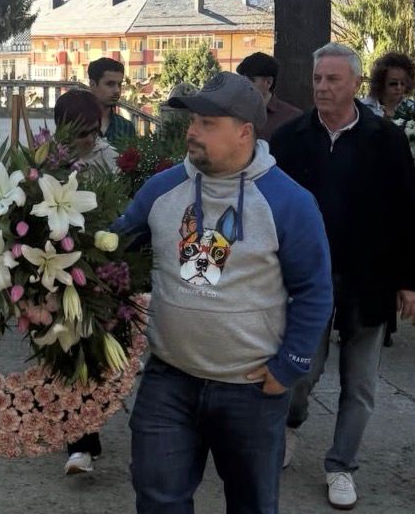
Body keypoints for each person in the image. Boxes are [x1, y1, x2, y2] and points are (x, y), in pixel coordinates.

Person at [116, 71, 334, 514]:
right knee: (158, 500)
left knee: (251, 505)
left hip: (250, 389)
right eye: (193, 120)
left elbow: (315, 290)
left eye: (207, 123)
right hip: (169, 380)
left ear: (245, 132)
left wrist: (290, 365)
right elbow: (112, 248)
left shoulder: (288, 202)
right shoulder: (161, 191)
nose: (191, 131)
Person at [271, 43, 415, 510]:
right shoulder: (291, 138)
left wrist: (411, 281)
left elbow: (408, 213)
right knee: (302, 372)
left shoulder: (386, 138)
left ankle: (341, 466)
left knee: (360, 384)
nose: (322, 87)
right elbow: (271, 208)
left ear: (355, 84)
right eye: (318, 79)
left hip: (370, 278)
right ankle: (290, 425)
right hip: (307, 281)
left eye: (332, 80)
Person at [50, 88, 117, 474]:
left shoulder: (110, 160)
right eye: (79, 133)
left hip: (99, 271)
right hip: (54, 271)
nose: (87, 139)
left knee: (92, 359)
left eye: (93, 130)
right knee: (63, 354)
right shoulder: (45, 164)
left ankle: (85, 438)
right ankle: (80, 442)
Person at [236, 51, 303, 141]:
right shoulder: (234, 113)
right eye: (241, 79)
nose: (244, 84)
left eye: (251, 80)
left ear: (268, 82)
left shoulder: (292, 118)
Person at [54, 88, 118, 173]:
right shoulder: (46, 161)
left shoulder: (110, 158)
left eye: (95, 131)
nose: (90, 139)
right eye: (82, 134)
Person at [360, 52, 415, 118]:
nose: (398, 87)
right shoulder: (363, 108)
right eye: (393, 83)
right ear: (381, 83)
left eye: (402, 83)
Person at [88, 57, 135, 145]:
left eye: (119, 84)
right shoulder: (77, 124)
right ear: (93, 84)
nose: (117, 90)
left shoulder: (126, 127)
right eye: (110, 84)